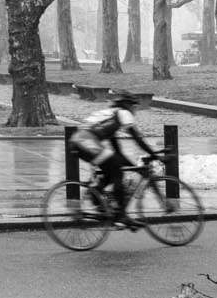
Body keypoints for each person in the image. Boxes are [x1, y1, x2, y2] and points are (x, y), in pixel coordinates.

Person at [67, 91, 158, 223]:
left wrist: (134, 167)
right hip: (86, 141)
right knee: (117, 172)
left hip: (78, 142)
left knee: (113, 167)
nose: (135, 110)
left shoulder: (111, 116)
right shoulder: (123, 113)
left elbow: (118, 153)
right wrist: (155, 155)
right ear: (128, 105)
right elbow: (137, 139)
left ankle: (98, 199)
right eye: (134, 106)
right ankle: (121, 215)